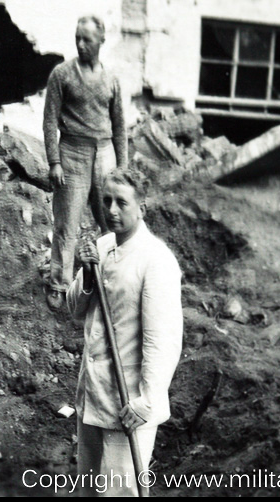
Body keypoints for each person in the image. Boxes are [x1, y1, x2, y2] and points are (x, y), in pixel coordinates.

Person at [66, 168, 183, 496]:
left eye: (122, 202)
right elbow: (74, 309)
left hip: (128, 405)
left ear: (142, 207)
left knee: (118, 492)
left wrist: (146, 402)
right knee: (89, 488)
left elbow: (163, 340)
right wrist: (87, 276)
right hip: (93, 393)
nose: (112, 210)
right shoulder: (100, 249)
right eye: (107, 201)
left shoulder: (156, 261)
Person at [43, 16, 127, 310]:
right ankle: (59, 284)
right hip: (72, 153)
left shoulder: (111, 79)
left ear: (101, 42)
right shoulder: (62, 74)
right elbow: (50, 120)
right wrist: (54, 161)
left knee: (112, 220)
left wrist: (123, 167)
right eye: (77, 37)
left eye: (87, 39)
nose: (80, 44)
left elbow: (119, 126)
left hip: (105, 155)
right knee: (67, 223)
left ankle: (117, 277)